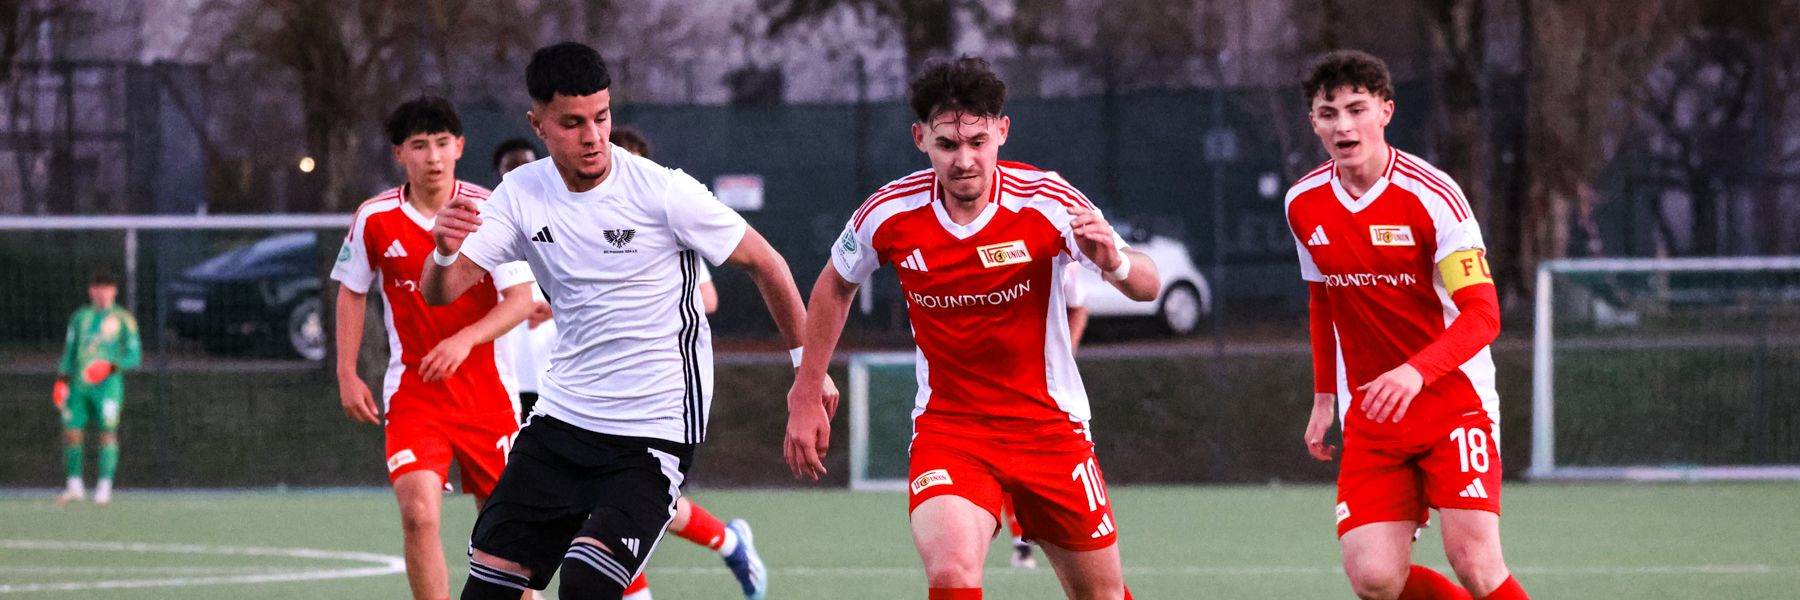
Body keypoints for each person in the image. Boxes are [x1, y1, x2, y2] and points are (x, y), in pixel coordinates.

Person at [425, 42, 818, 600]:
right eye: (573, 123)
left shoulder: (663, 191)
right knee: (487, 586)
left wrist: (806, 376)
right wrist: (442, 252)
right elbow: (442, 291)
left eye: (602, 117)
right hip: (562, 418)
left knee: (587, 582)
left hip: (653, 429)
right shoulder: (520, 194)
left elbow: (767, 263)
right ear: (538, 125)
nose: (593, 136)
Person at [785, 55, 1160, 600]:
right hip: (951, 432)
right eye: (947, 144)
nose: (964, 160)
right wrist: (805, 392)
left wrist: (1116, 262)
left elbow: (1148, 284)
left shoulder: (1048, 200)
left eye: (978, 142)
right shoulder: (889, 212)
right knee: (953, 575)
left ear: (1002, 131)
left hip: (1050, 431)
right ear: (920, 138)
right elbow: (834, 285)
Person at [1285, 50, 1527, 600]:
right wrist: (1324, 397)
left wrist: (1415, 373)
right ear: (1313, 122)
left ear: (1386, 112)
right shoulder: (1303, 203)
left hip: (1453, 404)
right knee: (1374, 579)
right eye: (1328, 114)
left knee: (1475, 562)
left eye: (1357, 109)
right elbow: (1322, 301)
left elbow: (1483, 314)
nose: (1343, 126)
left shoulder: (1433, 196)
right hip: (1372, 413)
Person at [333, 96, 538, 600]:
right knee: (418, 514)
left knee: (506, 532)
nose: (433, 157)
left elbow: (520, 301)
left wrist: (464, 339)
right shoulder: (374, 218)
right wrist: (346, 372)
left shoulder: (490, 210)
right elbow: (352, 292)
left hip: (488, 397)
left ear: (460, 147)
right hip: (415, 395)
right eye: (420, 146)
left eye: (442, 144)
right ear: (399, 153)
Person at [1008, 261, 1089, 569]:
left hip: (1048, 398)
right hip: (996, 387)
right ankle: (1021, 541)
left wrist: (1066, 355)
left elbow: (1078, 307)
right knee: (999, 464)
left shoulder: (1062, 255)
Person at [53, 271, 141, 507]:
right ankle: (74, 486)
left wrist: (109, 367)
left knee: (107, 433)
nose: (102, 292)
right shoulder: (79, 318)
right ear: (91, 291)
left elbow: (134, 357)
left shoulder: (124, 319)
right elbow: (69, 353)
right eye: (97, 287)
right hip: (79, 387)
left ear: (114, 291)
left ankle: (104, 486)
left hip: (108, 388)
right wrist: (61, 381)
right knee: (71, 432)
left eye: (107, 288)